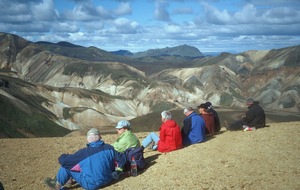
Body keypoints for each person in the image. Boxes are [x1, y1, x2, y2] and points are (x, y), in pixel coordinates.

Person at [45, 128, 125, 190]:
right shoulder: (109, 148)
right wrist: (116, 171)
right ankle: (69, 181)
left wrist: (63, 156)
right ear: (100, 137)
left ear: (88, 139)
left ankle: (57, 185)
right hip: (108, 179)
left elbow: (64, 161)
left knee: (66, 167)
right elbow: (122, 159)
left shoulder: (83, 153)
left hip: (92, 185)